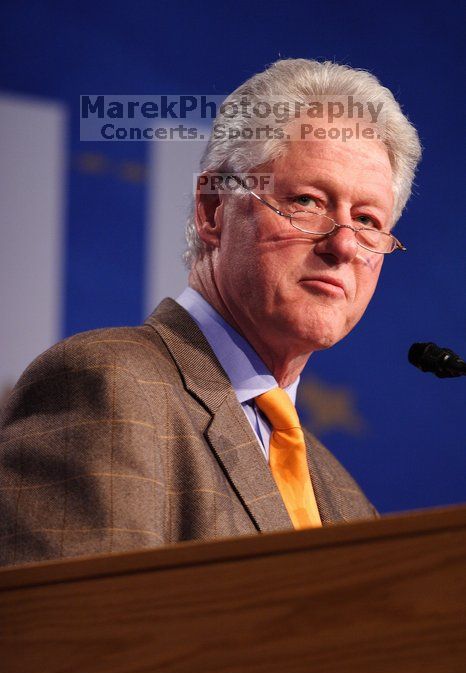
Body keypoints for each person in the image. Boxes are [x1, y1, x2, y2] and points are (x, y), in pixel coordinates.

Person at [0, 59, 421, 566]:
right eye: (308, 201)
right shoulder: (109, 386)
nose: (345, 245)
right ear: (212, 210)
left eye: (368, 219)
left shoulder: (345, 499)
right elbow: (77, 637)